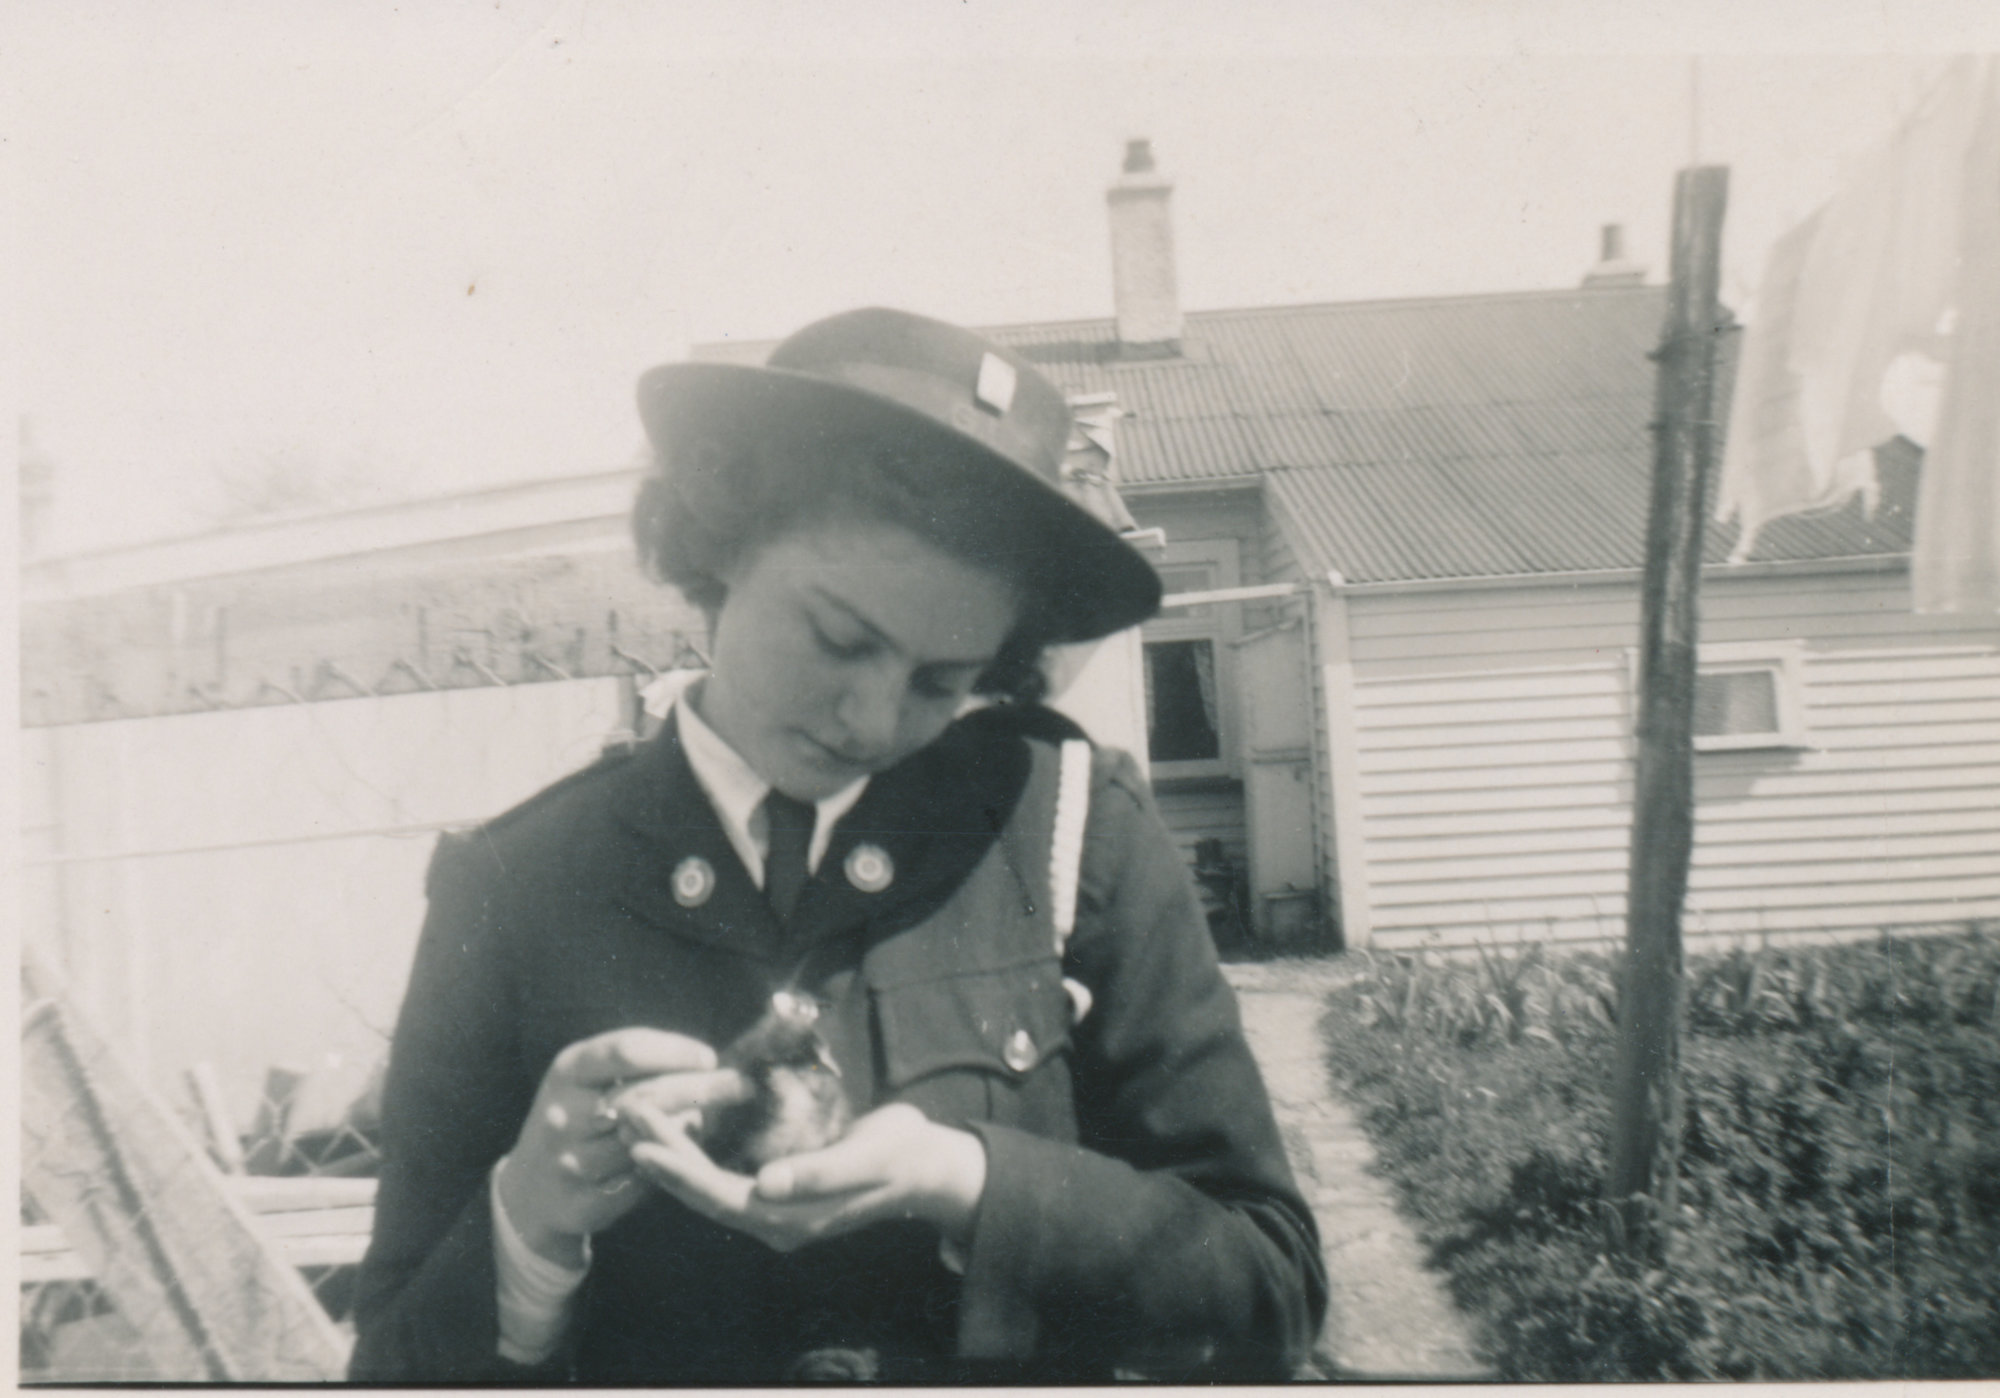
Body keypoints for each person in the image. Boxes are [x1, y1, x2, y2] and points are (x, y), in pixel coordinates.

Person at [348, 308, 1328, 1383]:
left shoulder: (1067, 832)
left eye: (937, 682)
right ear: (719, 540)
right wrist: (527, 1223)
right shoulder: (515, 886)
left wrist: (970, 1182)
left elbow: (1266, 1297)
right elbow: (391, 1367)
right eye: (837, 638)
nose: (868, 719)